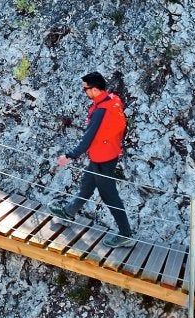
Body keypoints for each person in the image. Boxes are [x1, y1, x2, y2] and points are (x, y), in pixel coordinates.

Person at [53, 72, 134, 247]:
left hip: (102, 160)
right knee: (87, 184)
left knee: (110, 197)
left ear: (95, 90)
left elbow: (88, 139)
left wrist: (69, 156)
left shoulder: (100, 112)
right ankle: (68, 212)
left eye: (86, 89)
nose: (84, 92)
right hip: (106, 154)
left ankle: (126, 234)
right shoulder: (112, 100)